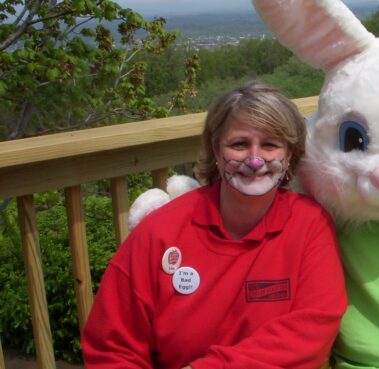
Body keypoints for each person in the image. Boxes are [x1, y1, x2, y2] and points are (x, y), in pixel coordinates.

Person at [82, 81, 347, 369]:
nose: (255, 160)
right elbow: (112, 346)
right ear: (216, 149)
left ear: (290, 156)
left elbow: (311, 329)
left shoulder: (309, 224)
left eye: (270, 145)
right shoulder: (161, 232)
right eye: (239, 144)